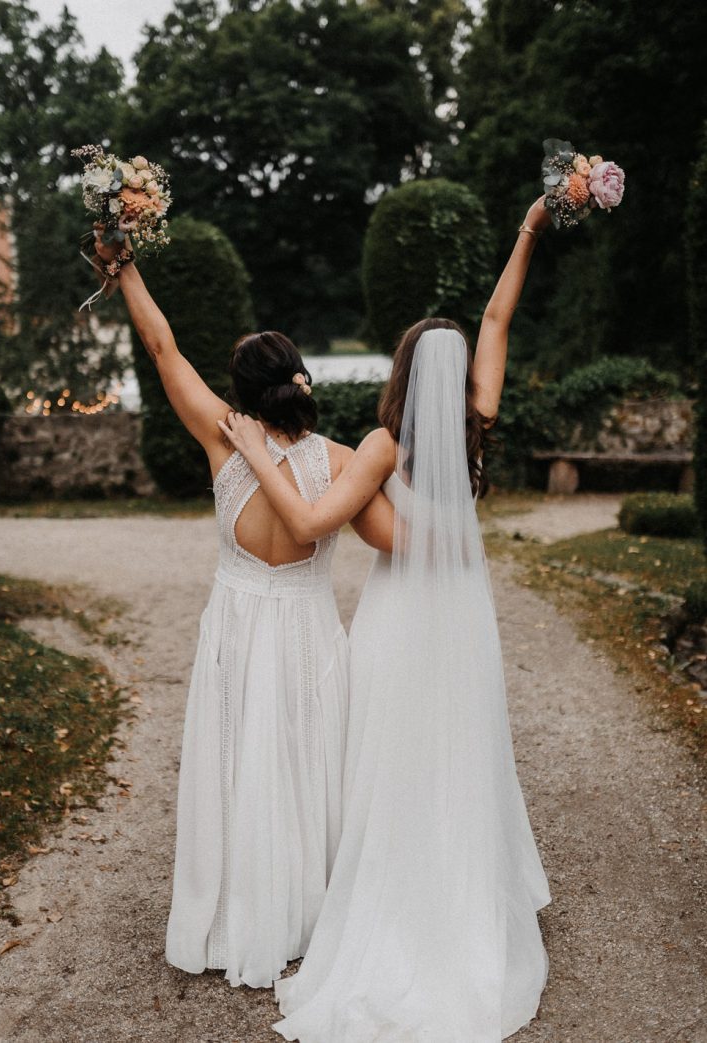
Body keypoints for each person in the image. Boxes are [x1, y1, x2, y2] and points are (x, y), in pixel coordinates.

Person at [217, 197, 553, 1040]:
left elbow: (310, 525)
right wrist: (529, 230)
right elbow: (498, 314)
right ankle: (465, 896)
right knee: (461, 749)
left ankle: (392, 898)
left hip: (401, 620)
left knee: (392, 759)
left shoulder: (379, 446)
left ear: (400, 370)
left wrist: (257, 451)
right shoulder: (477, 427)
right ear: (462, 376)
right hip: (463, 620)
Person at [90, 233, 393, 989]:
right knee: (307, 761)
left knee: (235, 763)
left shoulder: (222, 443)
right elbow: (396, 540)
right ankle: (307, 911)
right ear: (300, 380)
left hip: (236, 624)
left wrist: (124, 270)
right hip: (307, 627)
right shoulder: (344, 462)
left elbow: (162, 349)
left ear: (242, 392)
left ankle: (233, 906)